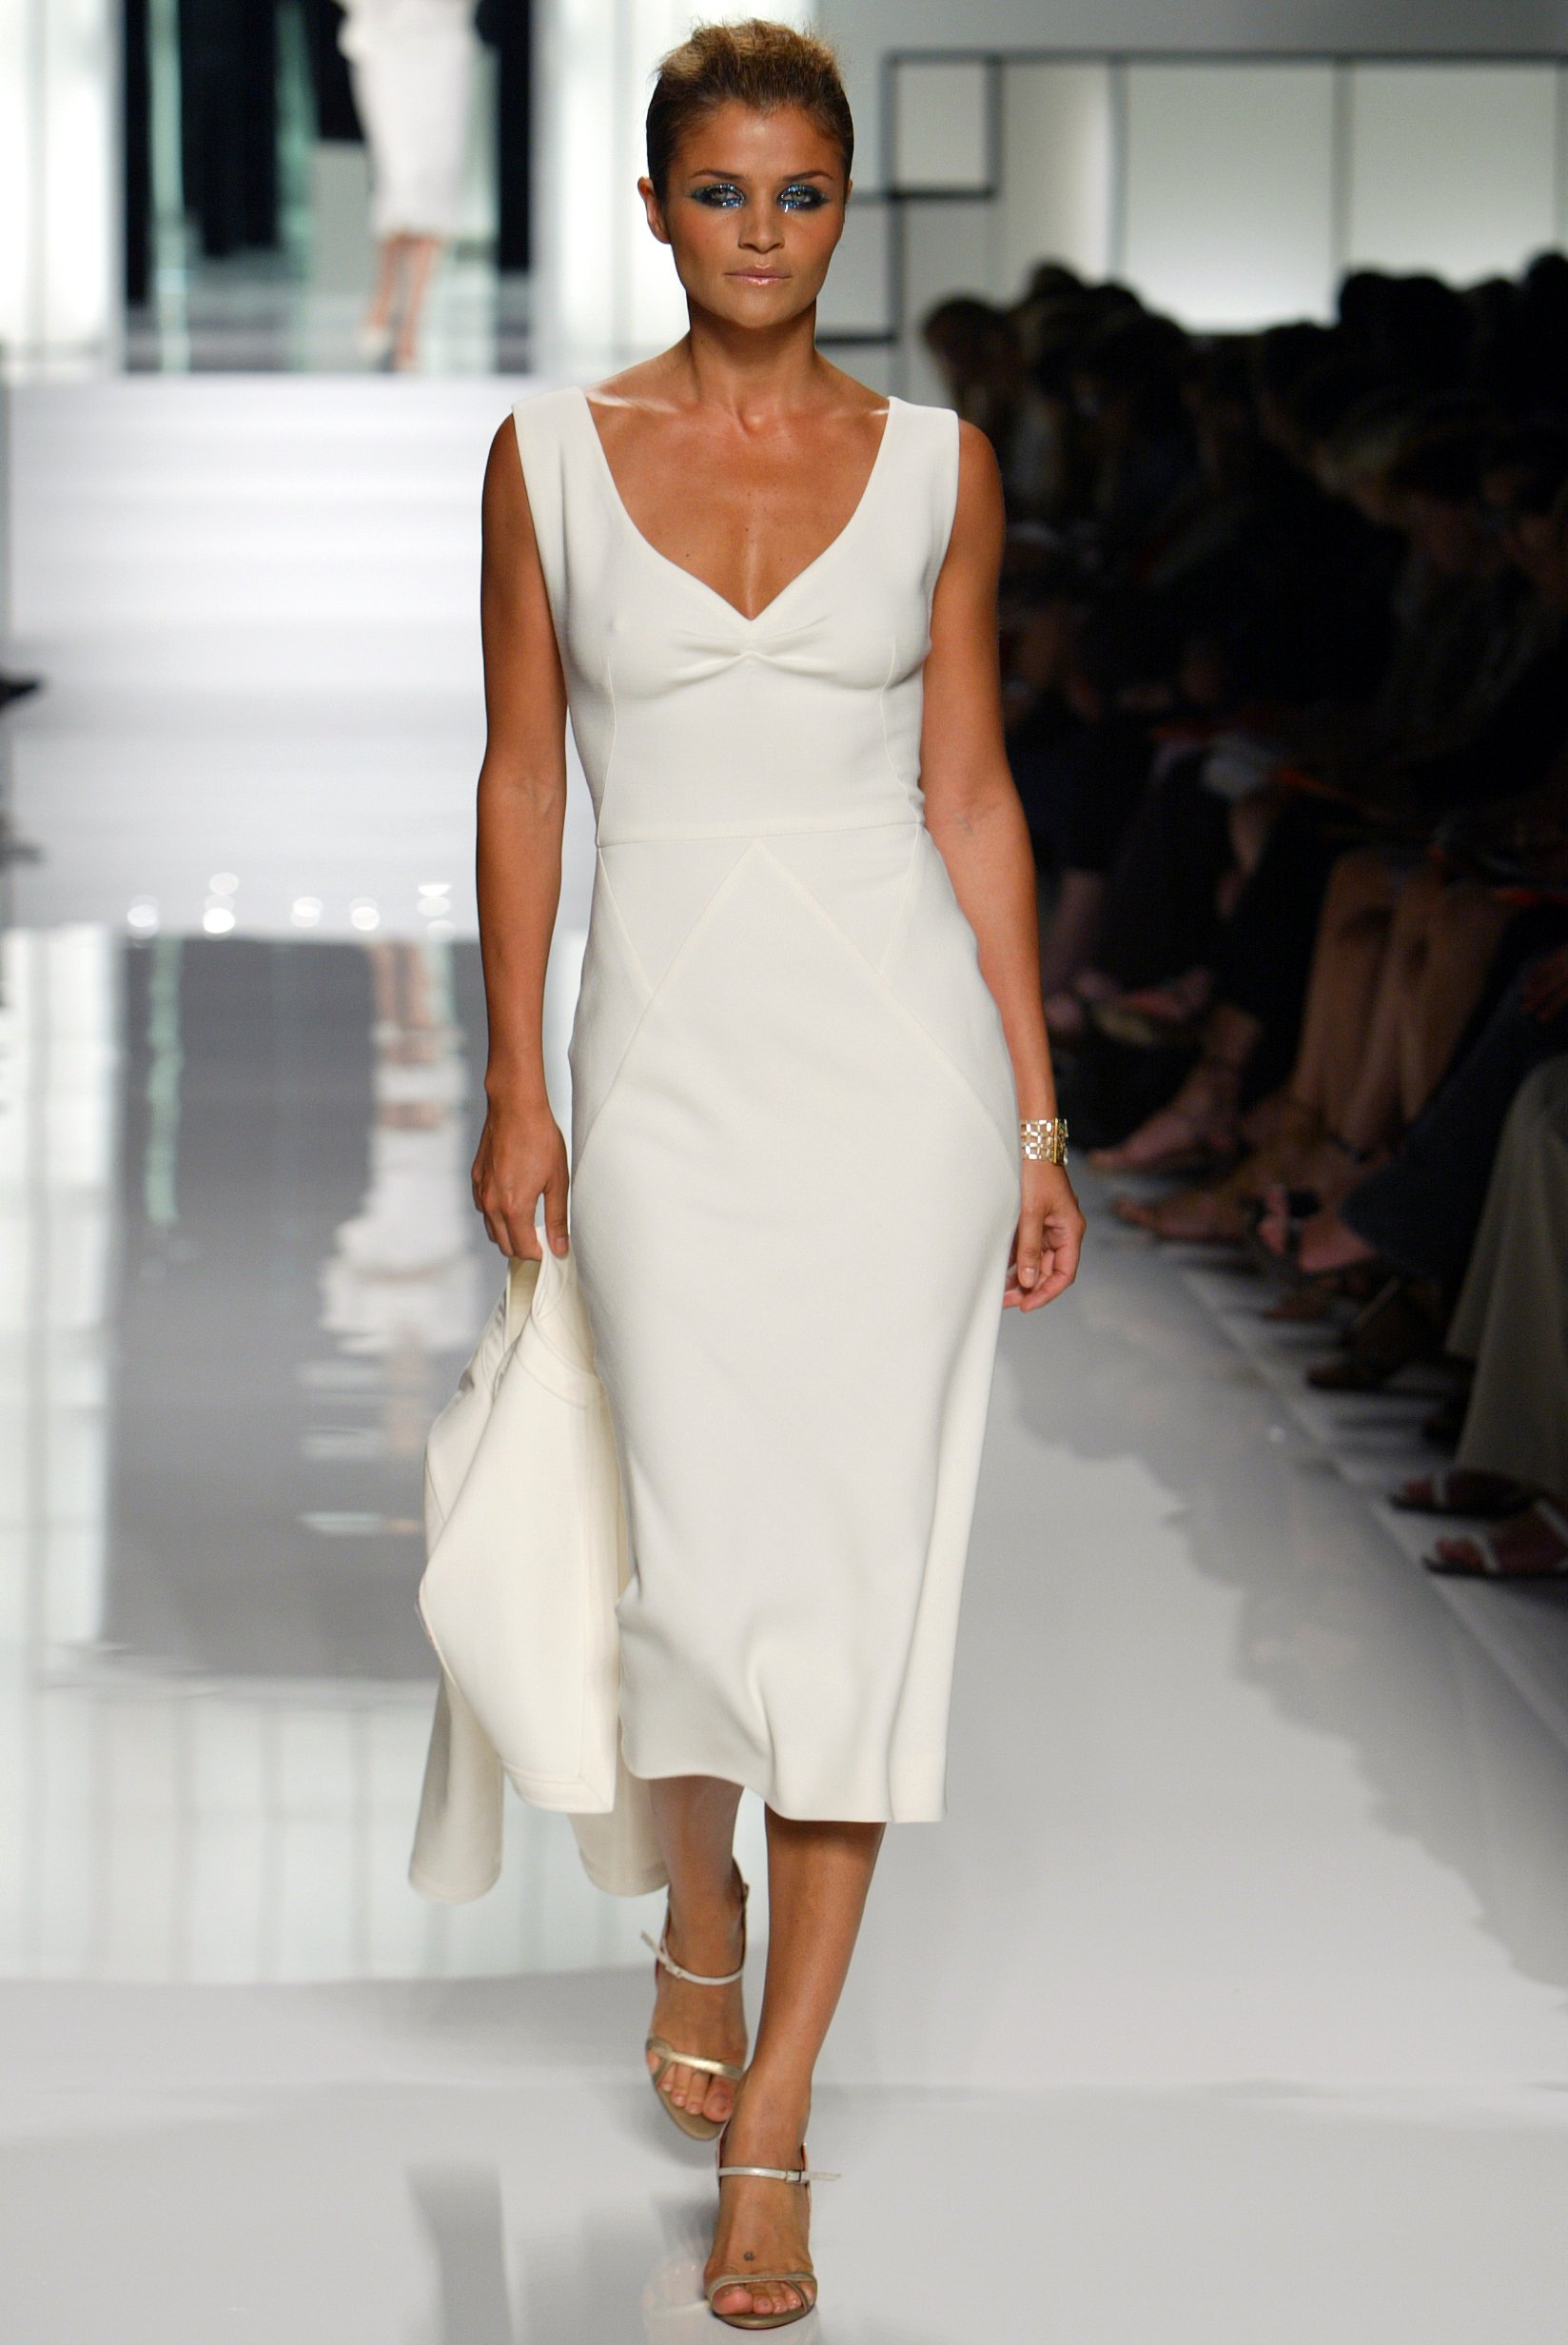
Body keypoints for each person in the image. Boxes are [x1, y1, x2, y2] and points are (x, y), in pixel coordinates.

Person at [463, 21, 1081, 2328]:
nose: (758, 232)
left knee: (851, 1584)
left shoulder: (936, 465)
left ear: (843, 207)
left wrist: (1031, 1112)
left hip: (891, 1065)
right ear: (653, 208)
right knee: (689, 1570)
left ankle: (779, 2122)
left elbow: (972, 793)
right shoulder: (547, 455)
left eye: (798, 193)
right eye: (718, 192)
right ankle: (695, 1897)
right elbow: (524, 777)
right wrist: (515, 1082)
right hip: (662, 1061)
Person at [333, 0, 478, 369]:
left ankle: (413, 323)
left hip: (443, 46)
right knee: (399, 177)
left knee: (436, 182)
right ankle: (385, 290)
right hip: (388, 46)